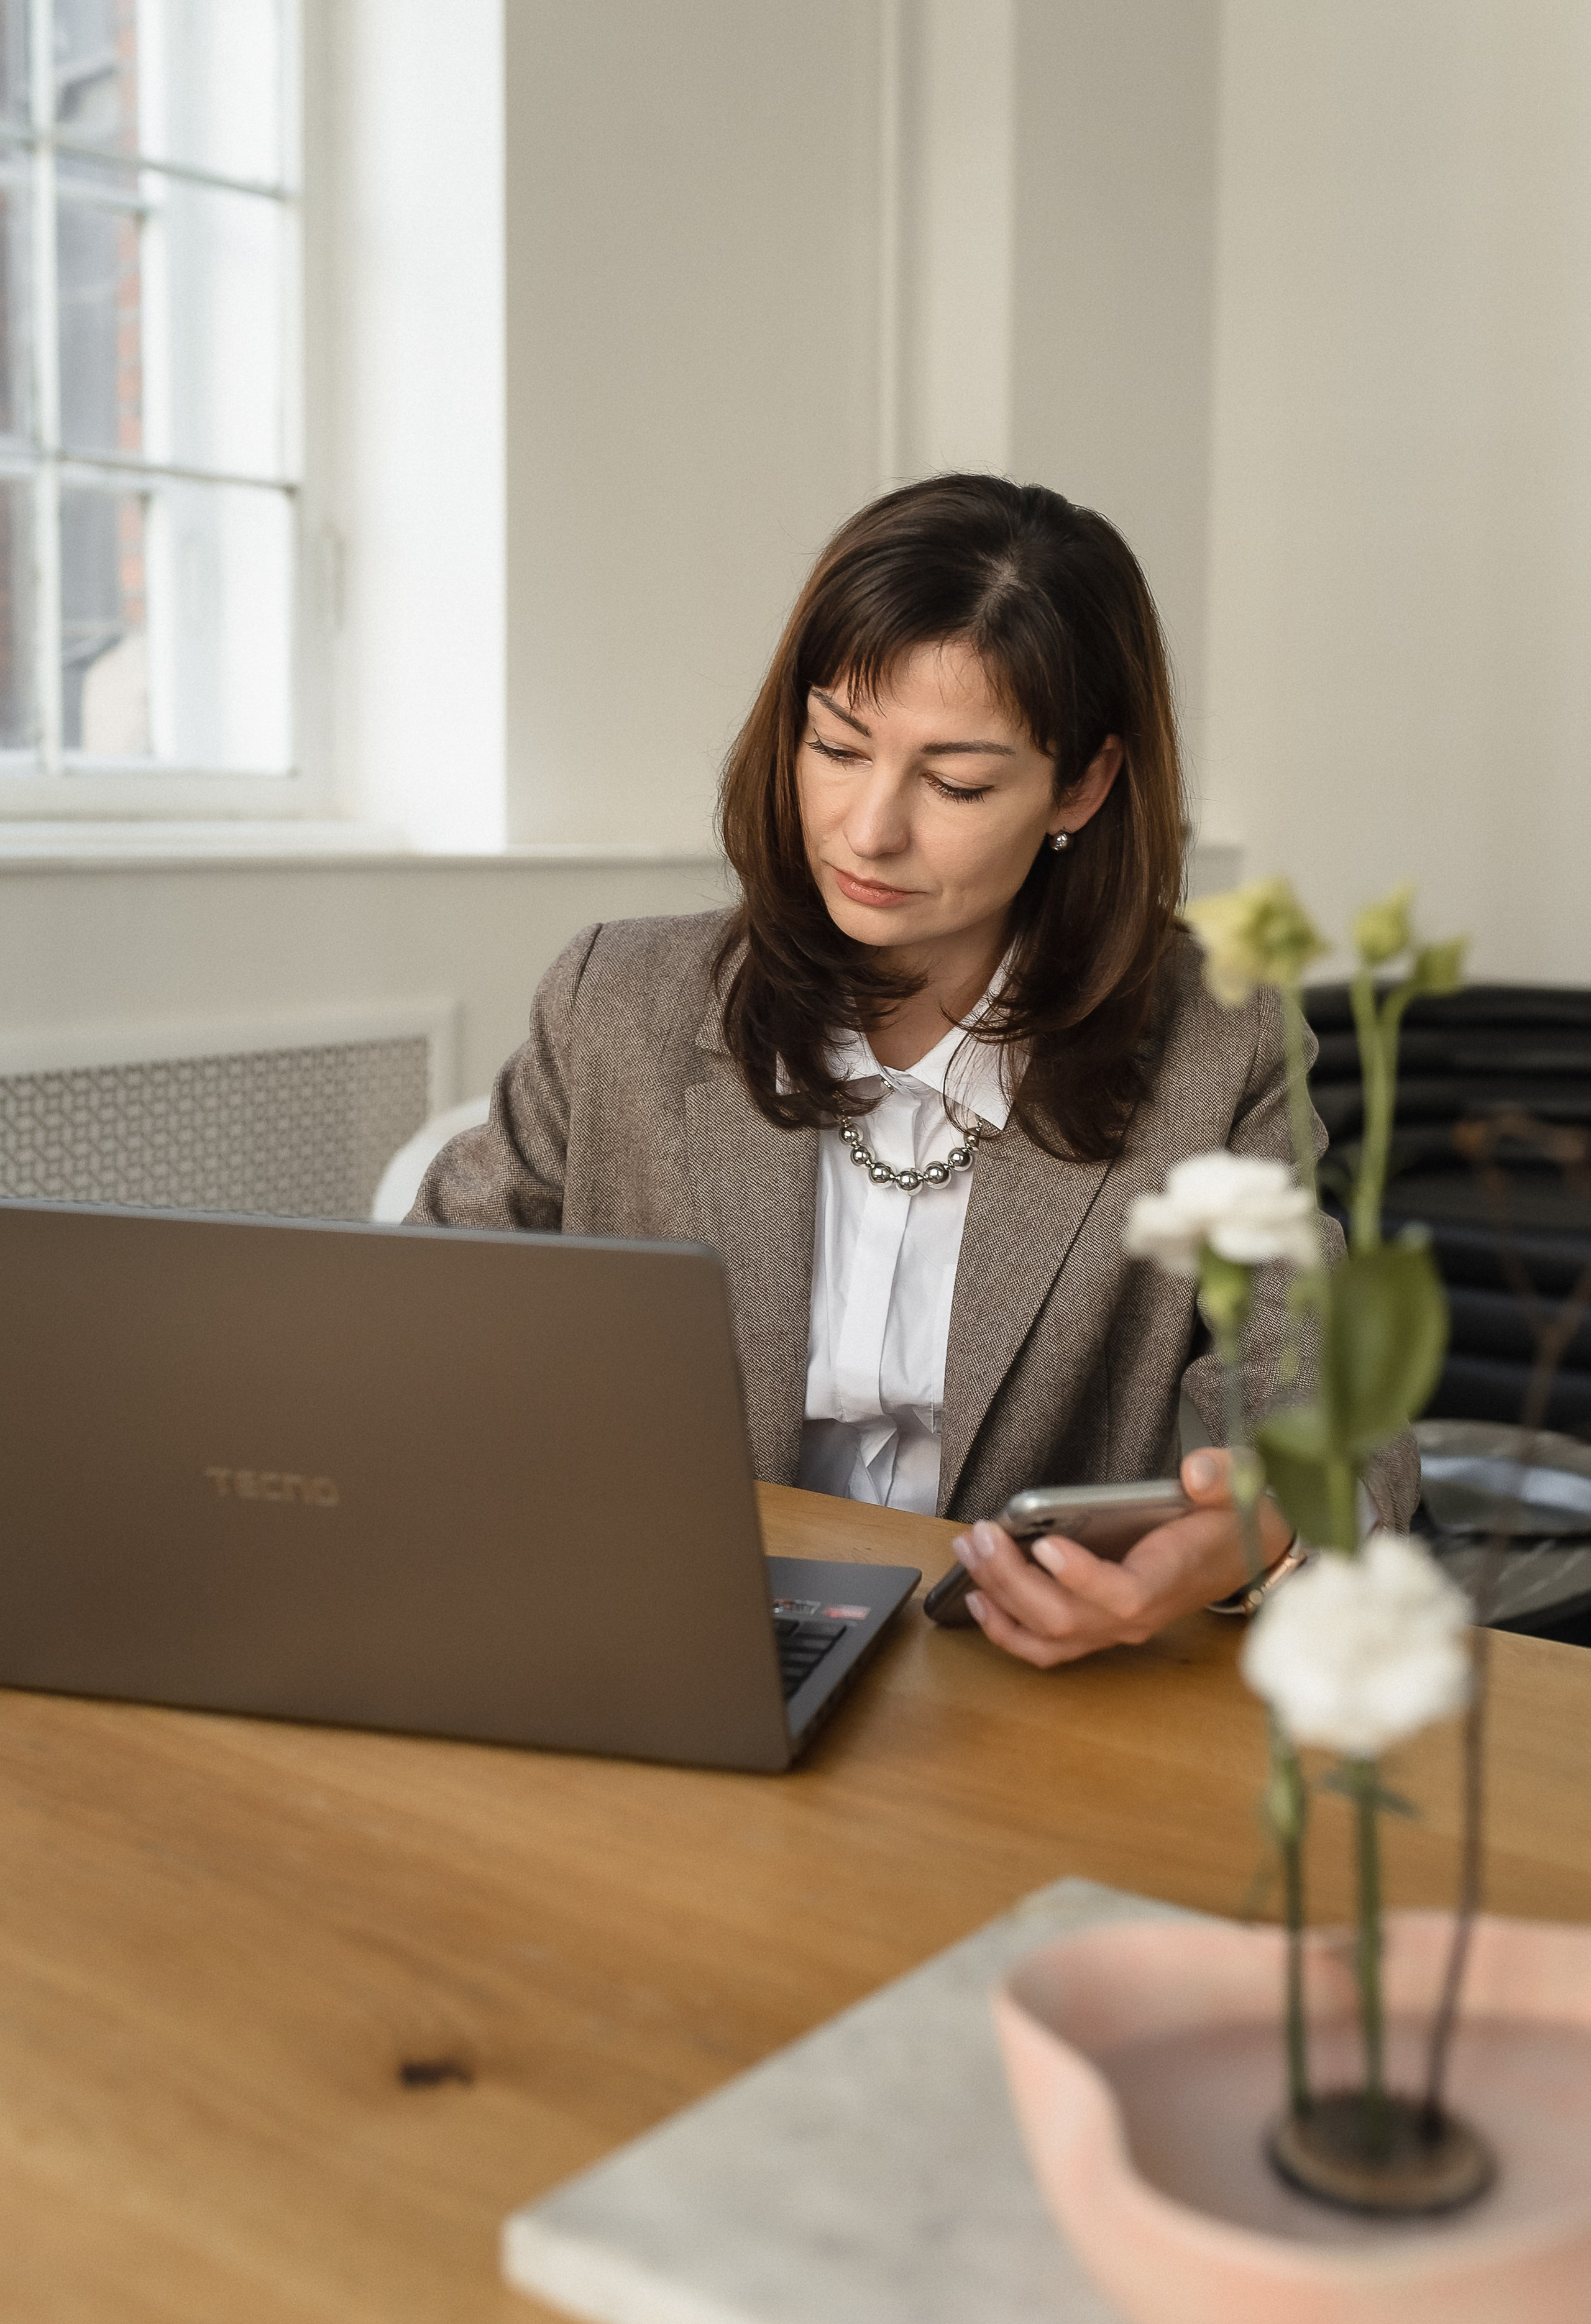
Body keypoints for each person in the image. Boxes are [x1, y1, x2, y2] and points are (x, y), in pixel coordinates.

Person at [411, 475, 1416, 1667]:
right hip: (668, 1639)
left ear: (1082, 788)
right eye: (836, 746)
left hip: (1024, 1686)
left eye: (955, 782)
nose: (866, 829)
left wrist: (1252, 1533)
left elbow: (1334, 1419)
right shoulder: (617, 1001)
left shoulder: (1217, 1041)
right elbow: (415, 1322)